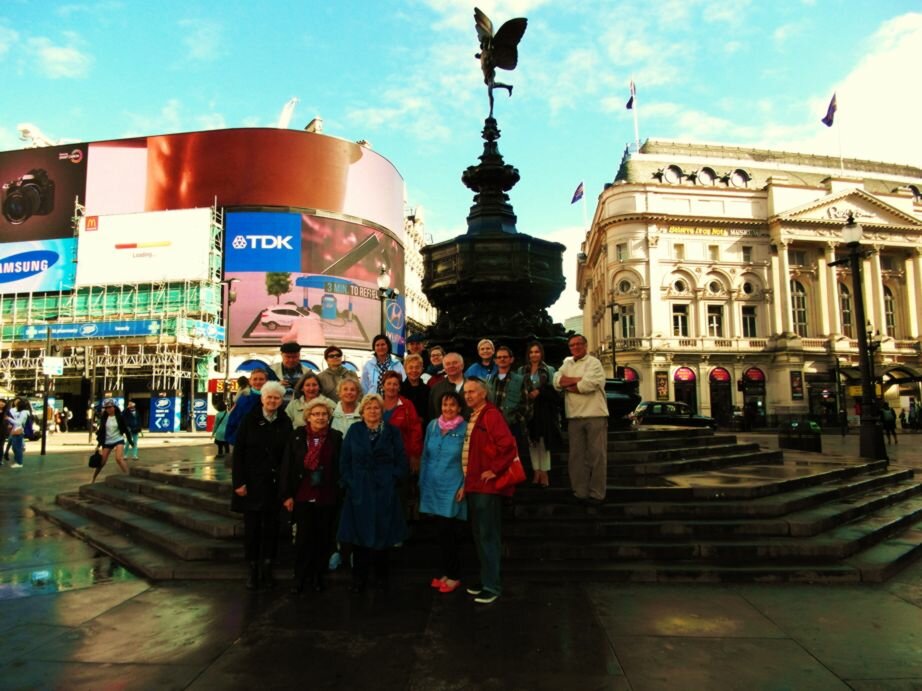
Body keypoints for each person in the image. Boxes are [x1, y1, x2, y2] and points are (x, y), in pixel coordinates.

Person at [337, 393, 409, 593]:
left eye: (376, 407)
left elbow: (401, 459)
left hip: (384, 488)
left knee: (383, 534)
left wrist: (393, 478)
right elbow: (345, 460)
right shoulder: (354, 430)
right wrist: (350, 482)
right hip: (359, 489)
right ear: (362, 411)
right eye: (368, 408)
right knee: (359, 536)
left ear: (382, 410)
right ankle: (359, 578)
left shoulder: (392, 432)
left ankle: (381, 578)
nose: (372, 411)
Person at [231, 381, 292, 590]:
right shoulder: (250, 420)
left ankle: (267, 567)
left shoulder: (285, 421)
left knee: (271, 529)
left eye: (277, 398)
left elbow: (288, 455)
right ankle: (252, 568)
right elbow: (238, 453)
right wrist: (238, 482)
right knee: (253, 529)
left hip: (274, 485)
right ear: (262, 399)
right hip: (252, 483)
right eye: (269, 397)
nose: (273, 401)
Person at [462, 377, 518, 605]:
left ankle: (492, 585)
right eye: (465, 392)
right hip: (474, 484)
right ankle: (486, 579)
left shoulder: (491, 415)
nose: (467, 396)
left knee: (488, 535)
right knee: (479, 534)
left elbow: (508, 445)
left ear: (483, 394)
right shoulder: (475, 415)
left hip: (486, 487)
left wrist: (494, 470)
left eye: (472, 392)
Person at [281, 398, 343, 593]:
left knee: (323, 538)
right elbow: (287, 466)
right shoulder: (297, 436)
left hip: (326, 495)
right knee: (303, 539)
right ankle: (300, 577)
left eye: (324, 414)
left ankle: (318, 576)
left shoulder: (335, 437)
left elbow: (339, 466)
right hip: (302, 494)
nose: (320, 417)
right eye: (316, 414)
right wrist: (287, 494)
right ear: (308, 416)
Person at [419, 391, 468, 594]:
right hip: (432, 485)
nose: (448, 409)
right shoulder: (432, 425)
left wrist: (464, 486)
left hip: (453, 485)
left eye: (452, 405)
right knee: (440, 533)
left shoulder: (466, 428)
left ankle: (454, 575)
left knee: (449, 532)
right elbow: (425, 456)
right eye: (445, 405)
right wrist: (422, 482)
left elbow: (469, 459)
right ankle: (447, 572)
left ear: (459, 408)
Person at [554, 334, 608, 505]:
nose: (575, 347)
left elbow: (589, 385)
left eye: (578, 344)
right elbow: (556, 381)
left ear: (585, 345)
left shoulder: (594, 362)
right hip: (574, 415)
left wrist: (569, 385)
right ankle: (580, 491)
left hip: (595, 414)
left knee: (597, 456)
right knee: (576, 456)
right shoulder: (567, 362)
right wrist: (577, 381)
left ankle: (597, 493)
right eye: (572, 345)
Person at [382, 370, 423, 519]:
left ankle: (398, 533)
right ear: (383, 385)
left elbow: (415, 431)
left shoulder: (406, 405)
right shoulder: (375, 403)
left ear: (399, 387)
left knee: (399, 495)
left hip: (401, 458)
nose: (392, 387)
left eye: (395, 384)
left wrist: (414, 455)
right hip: (380, 458)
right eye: (389, 383)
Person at [521, 341, 562, 487]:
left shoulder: (549, 369)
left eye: (536, 352)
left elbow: (555, 390)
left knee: (544, 442)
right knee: (532, 442)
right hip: (528, 411)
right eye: (531, 352)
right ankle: (536, 470)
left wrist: (540, 392)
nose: (534, 355)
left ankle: (544, 471)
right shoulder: (522, 370)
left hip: (543, 410)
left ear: (541, 353)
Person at [487, 345, 531, 476]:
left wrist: (516, 419)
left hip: (512, 426)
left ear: (511, 359)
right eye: (499, 357)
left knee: (513, 460)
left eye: (505, 357)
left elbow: (526, 405)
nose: (502, 360)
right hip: (493, 427)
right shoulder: (490, 380)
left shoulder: (520, 379)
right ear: (495, 360)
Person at [225, 369, 268, 446]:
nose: (258, 382)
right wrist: (234, 440)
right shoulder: (242, 399)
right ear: (250, 381)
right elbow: (233, 420)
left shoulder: (272, 397)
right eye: (255, 379)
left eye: (261, 379)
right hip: (245, 443)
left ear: (266, 381)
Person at [92, 399, 130, 482]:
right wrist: (98, 445)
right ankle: (93, 478)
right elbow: (101, 432)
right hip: (107, 441)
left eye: (109, 407)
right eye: (106, 408)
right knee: (102, 462)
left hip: (118, 439)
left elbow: (125, 428)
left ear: (114, 407)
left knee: (118, 458)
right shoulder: (104, 418)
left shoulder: (120, 417)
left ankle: (128, 476)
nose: (108, 409)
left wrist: (130, 439)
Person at [429, 353, 468, 420]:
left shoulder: (474, 387)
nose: (451, 366)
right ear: (444, 368)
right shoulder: (436, 389)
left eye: (455, 363)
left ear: (462, 365)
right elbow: (432, 414)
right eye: (448, 364)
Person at [401, 353, 431, 427]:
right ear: (405, 369)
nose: (414, 370)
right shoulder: (399, 389)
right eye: (410, 367)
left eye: (417, 367)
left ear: (422, 369)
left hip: (422, 429)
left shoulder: (427, 390)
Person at [7, 399, 32, 469]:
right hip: (16, 430)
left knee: (17, 448)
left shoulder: (24, 413)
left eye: (17, 404)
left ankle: (19, 462)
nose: (16, 406)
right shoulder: (21, 412)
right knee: (15, 447)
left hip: (19, 431)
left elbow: (19, 422)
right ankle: (17, 461)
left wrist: (9, 419)